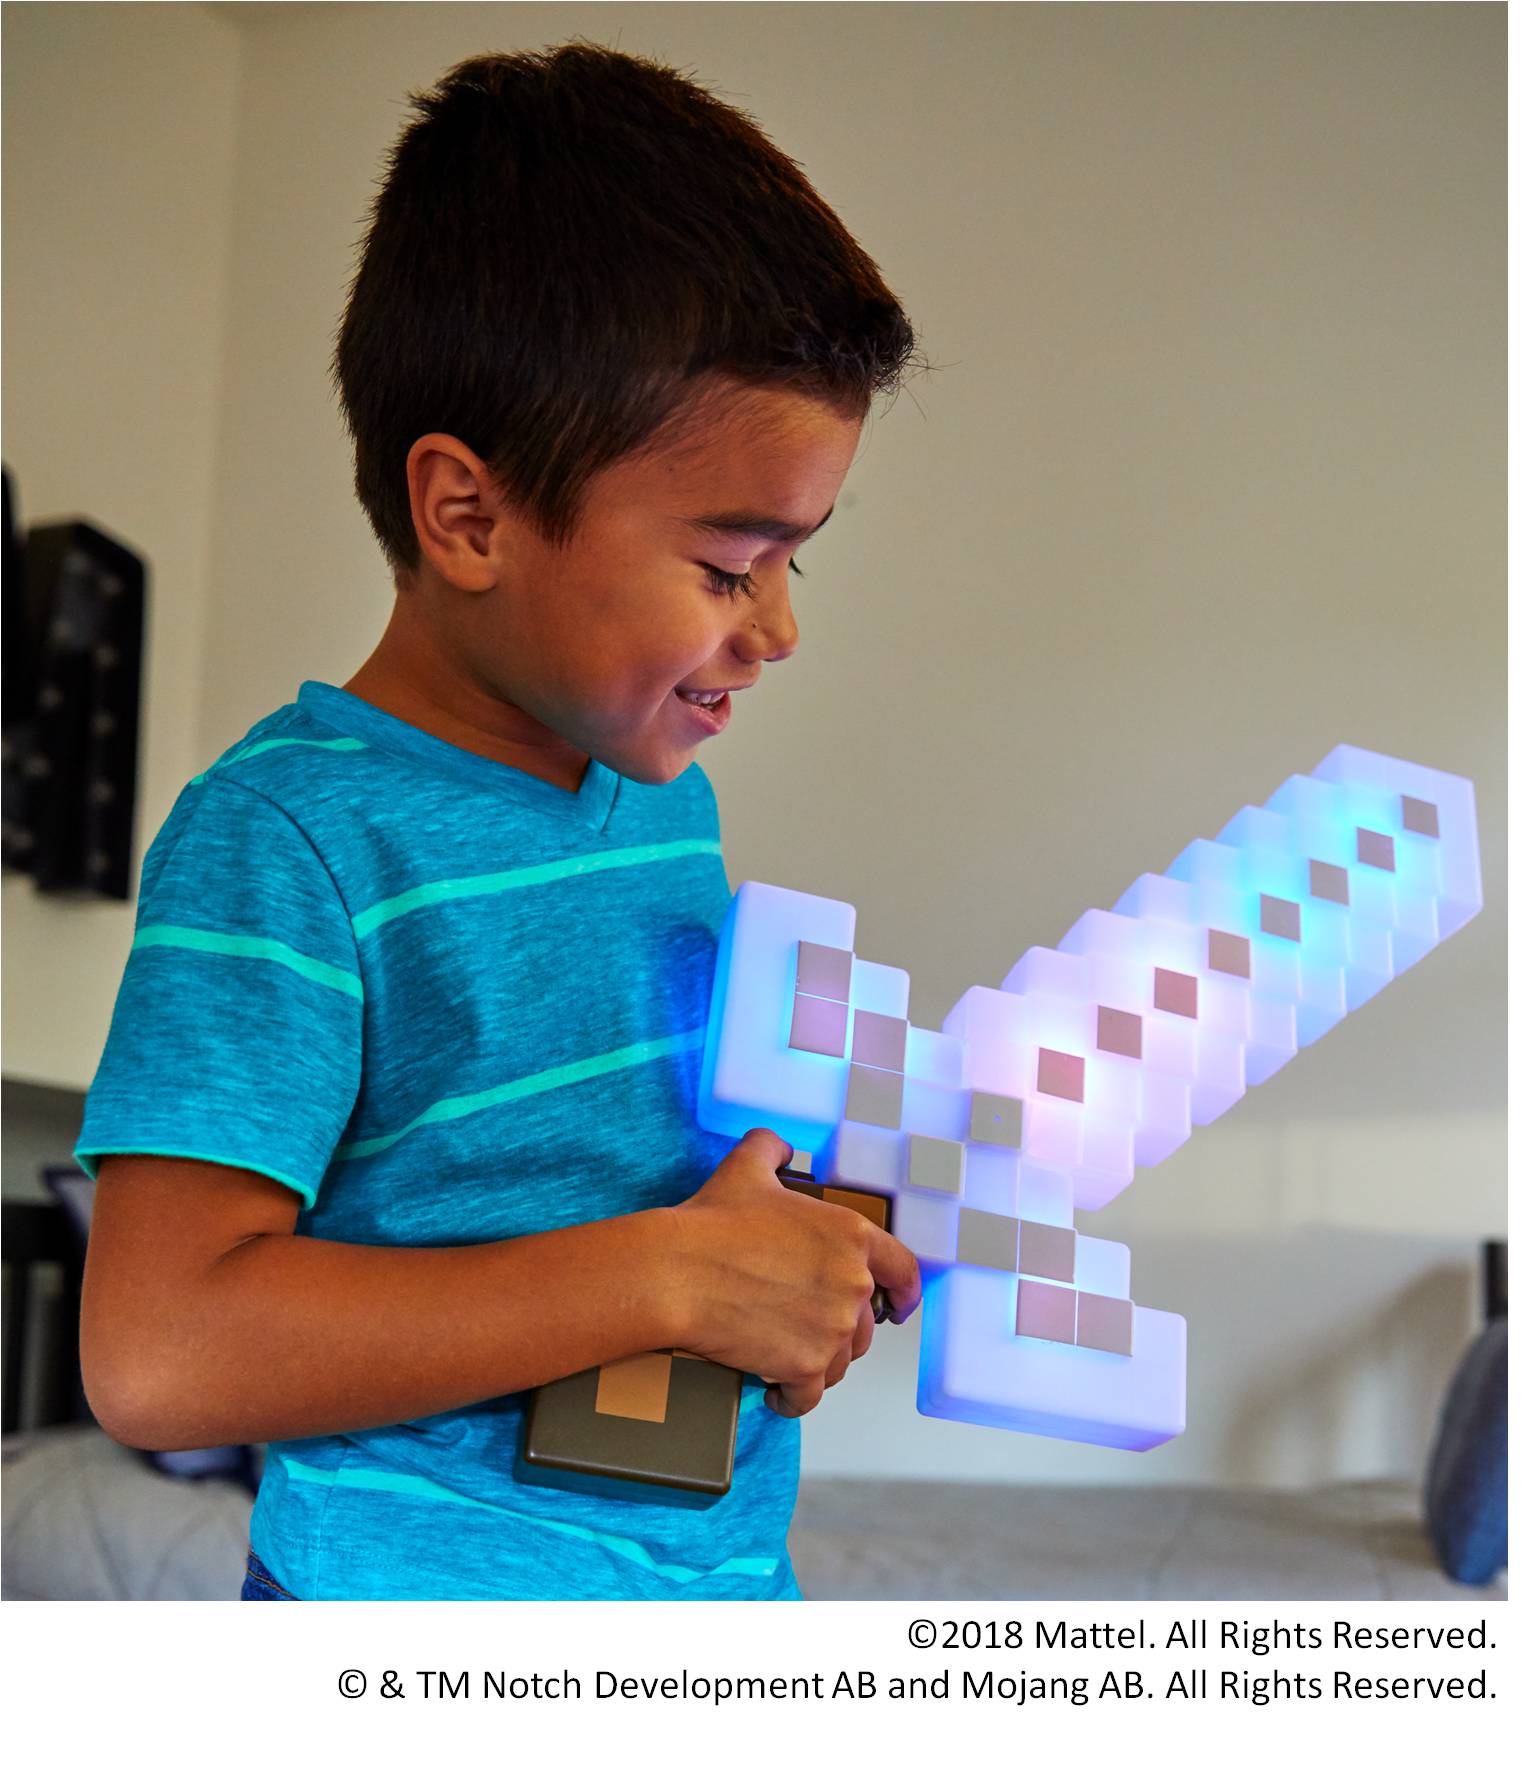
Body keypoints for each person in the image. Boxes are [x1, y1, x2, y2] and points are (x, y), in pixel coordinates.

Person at [74, 41, 925, 1600]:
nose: (778, 628)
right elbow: (158, 1353)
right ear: (468, 514)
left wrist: (793, 1252)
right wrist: (668, 1274)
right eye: (728, 565)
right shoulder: (287, 838)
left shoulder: (663, 806)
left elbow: (604, 1187)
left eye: (794, 559)